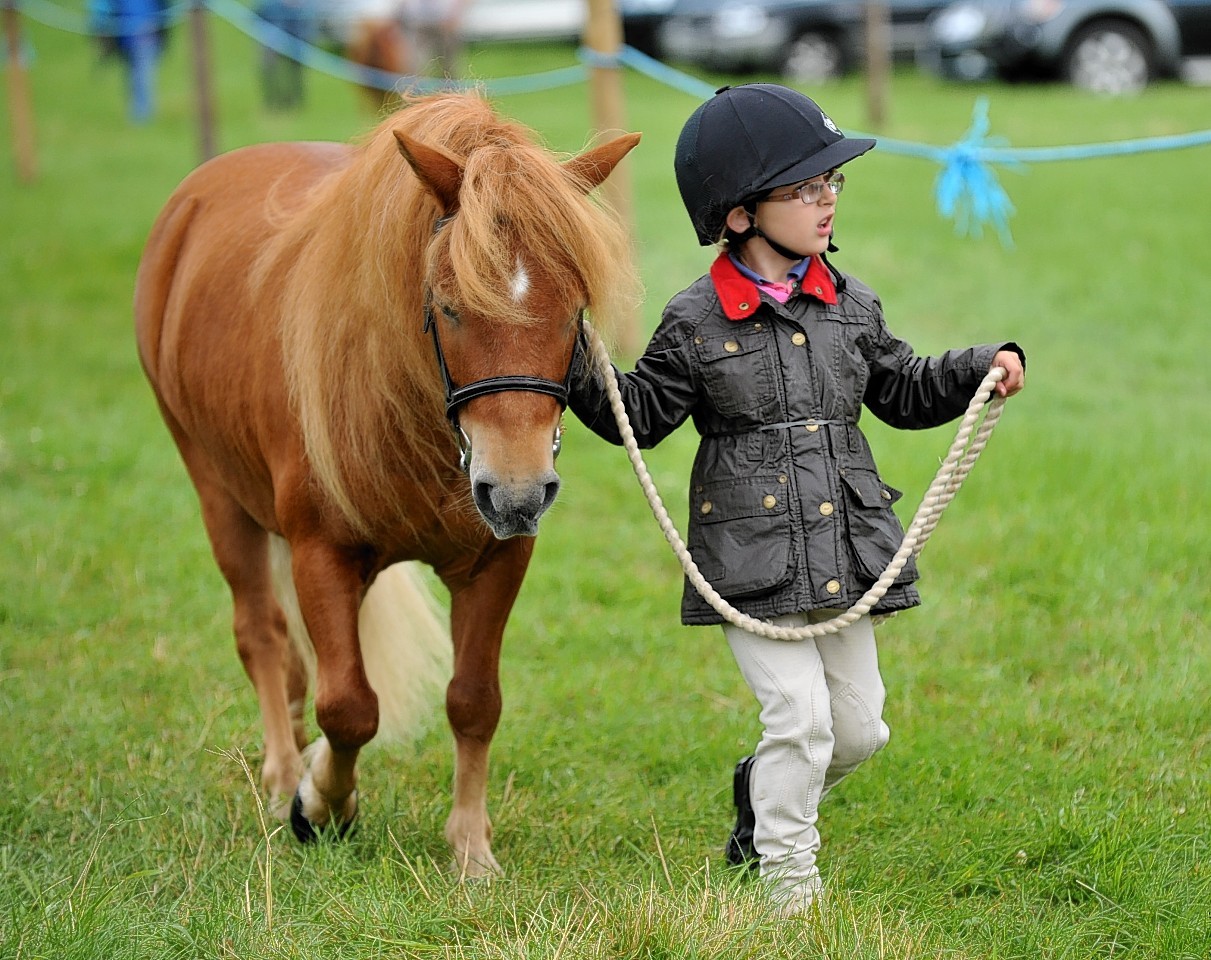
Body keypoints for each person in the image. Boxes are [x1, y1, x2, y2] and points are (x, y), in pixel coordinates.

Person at [568, 83, 1026, 917]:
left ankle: (761, 795)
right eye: (804, 187)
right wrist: (568, 353)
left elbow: (902, 390)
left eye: (832, 184)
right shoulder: (695, 320)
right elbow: (637, 416)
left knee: (856, 732)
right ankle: (787, 884)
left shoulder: (849, 306)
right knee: (802, 722)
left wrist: (975, 368)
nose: (826, 200)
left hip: (845, 550)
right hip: (748, 562)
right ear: (738, 213)